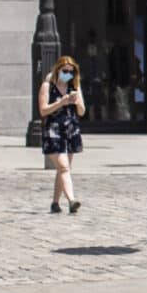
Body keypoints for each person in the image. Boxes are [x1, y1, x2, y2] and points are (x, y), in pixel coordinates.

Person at [37, 55, 87, 212]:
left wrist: (77, 101)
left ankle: (55, 203)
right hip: (53, 130)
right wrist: (61, 102)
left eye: (71, 72)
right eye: (65, 71)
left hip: (71, 130)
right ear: (57, 70)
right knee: (64, 166)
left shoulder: (75, 87)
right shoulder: (47, 86)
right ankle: (72, 201)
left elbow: (82, 111)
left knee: (63, 168)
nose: (68, 74)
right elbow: (43, 110)